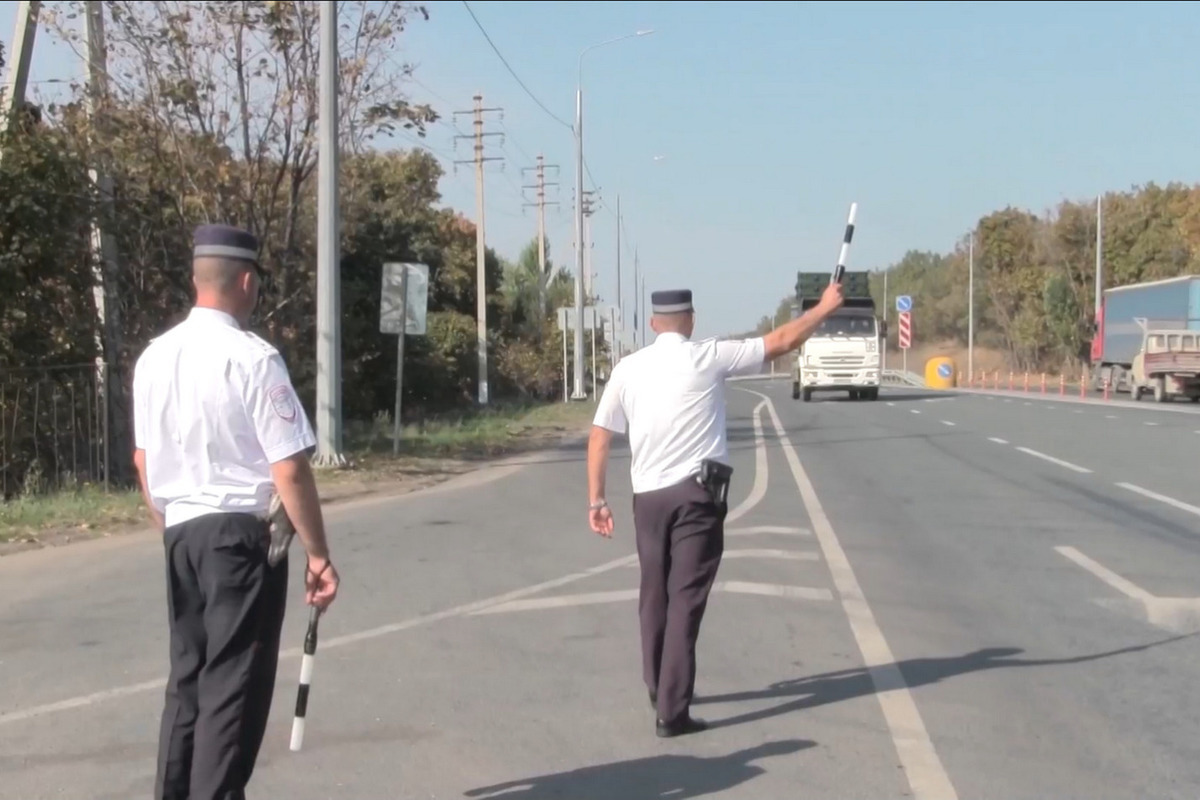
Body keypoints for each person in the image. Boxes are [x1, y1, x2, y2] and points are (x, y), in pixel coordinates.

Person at [131, 224, 340, 800]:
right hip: (238, 541)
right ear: (246, 281)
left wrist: (170, 528)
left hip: (180, 533)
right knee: (233, 688)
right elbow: (289, 467)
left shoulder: (154, 359)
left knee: (189, 683)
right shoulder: (252, 358)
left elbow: (142, 459)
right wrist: (318, 553)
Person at [586, 282, 844, 737]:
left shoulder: (628, 368)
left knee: (654, 592)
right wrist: (822, 308)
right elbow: (783, 340)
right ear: (691, 321)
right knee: (685, 598)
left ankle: (656, 683)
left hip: (647, 500)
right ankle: (672, 711)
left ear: (652, 324)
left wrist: (597, 499)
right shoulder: (710, 356)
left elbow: (601, 435)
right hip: (695, 499)